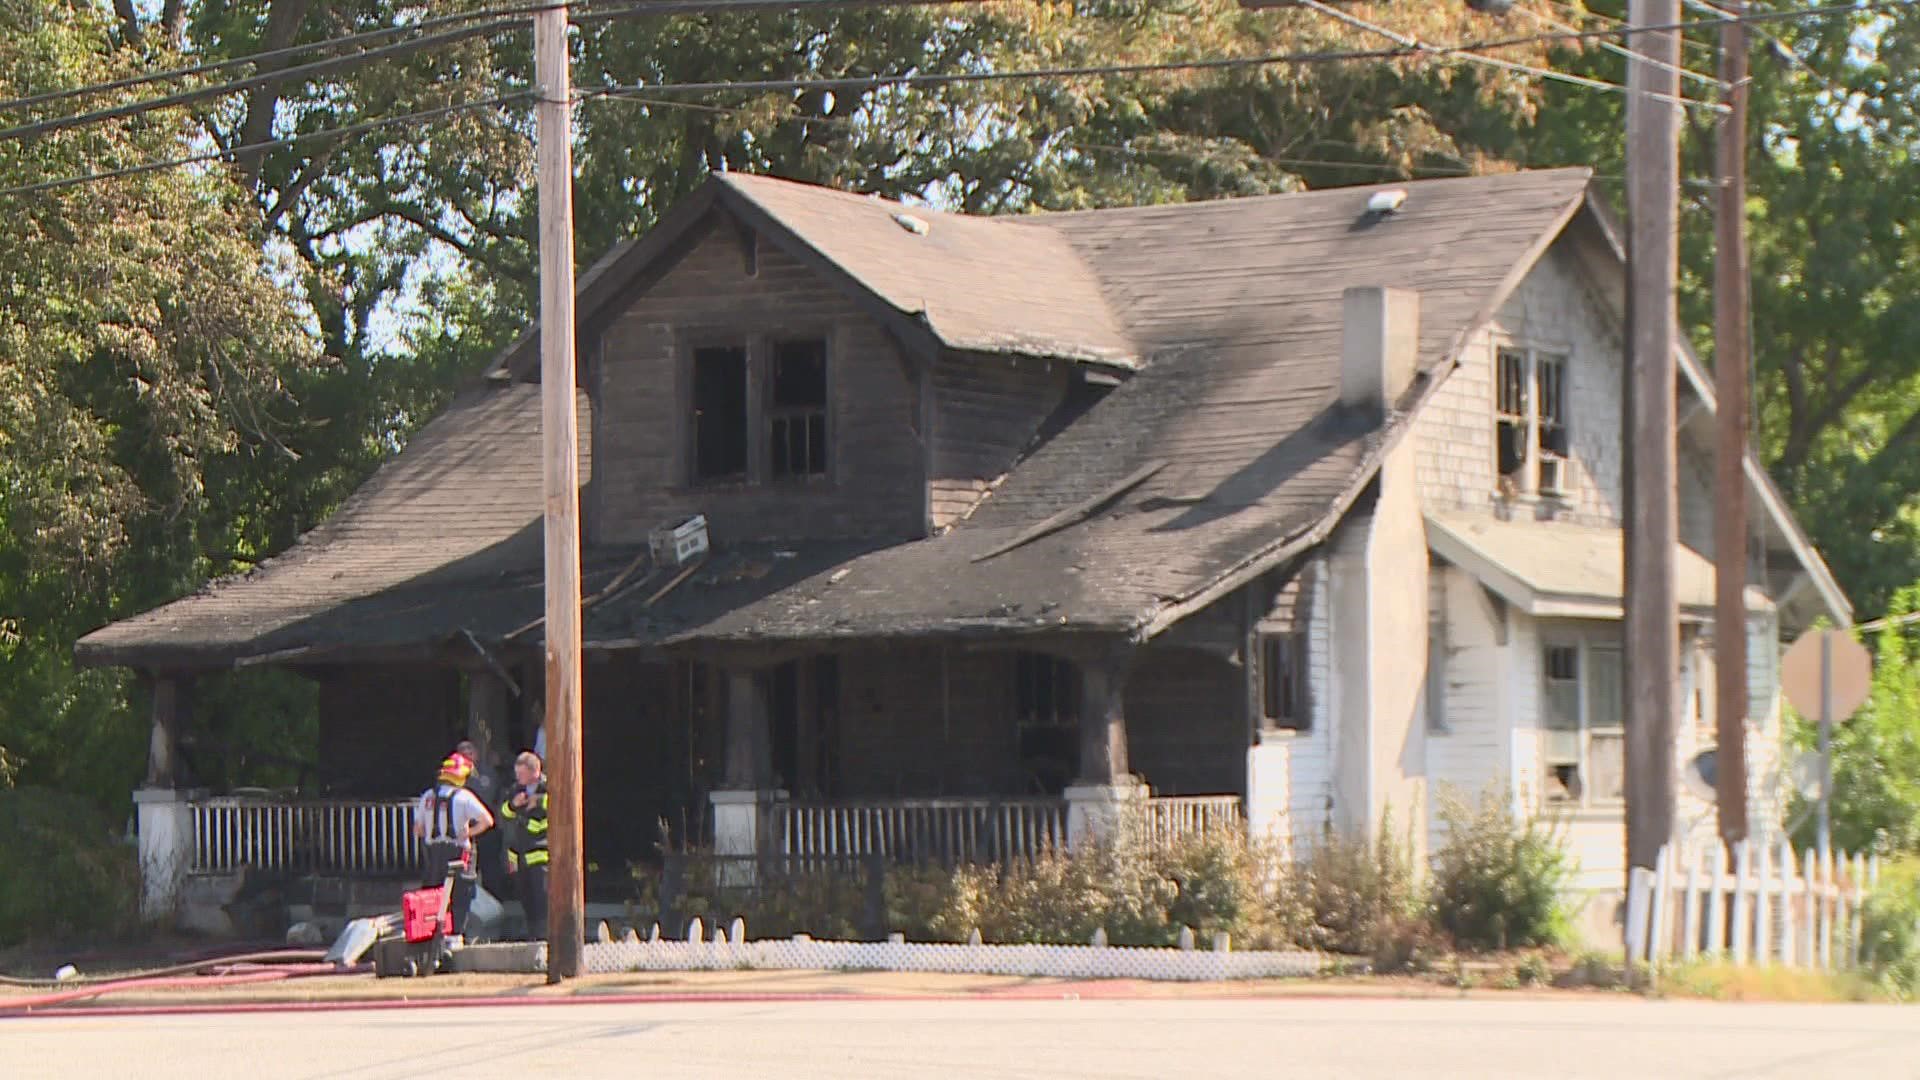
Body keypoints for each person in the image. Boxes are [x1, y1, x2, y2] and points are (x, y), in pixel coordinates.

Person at [412, 752, 494, 940]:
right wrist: (469, 833)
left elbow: (418, 830)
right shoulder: (465, 797)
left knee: (432, 897)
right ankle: (456, 936)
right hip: (458, 853)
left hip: (434, 855)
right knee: (461, 896)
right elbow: (487, 821)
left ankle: (432, 936)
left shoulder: (427, 797)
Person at [498, 751, 550, 942]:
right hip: (517, 855)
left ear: (535, 771)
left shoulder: (547, 788)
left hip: (540, 853)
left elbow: (552, 816)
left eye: (521, 774)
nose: (518, 778)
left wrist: (538, 802)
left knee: (541, 897)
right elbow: (502, 815)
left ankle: (544, 934)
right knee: (525, 896)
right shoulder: (515, 790)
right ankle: (532, 933)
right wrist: (513, 805)